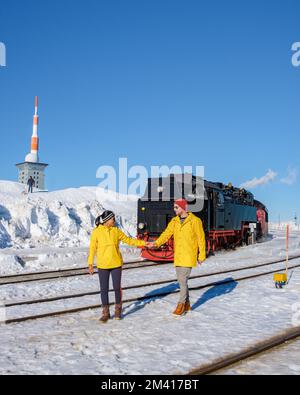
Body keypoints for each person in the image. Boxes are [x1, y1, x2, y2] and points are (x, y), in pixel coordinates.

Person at [88, 210, 148, 323]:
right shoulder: (96, 232)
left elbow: (129, 240)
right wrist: (90, 263)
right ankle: (105, 313)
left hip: (116, 264)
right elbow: (92, 248)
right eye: (112, 219)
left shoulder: (116, 231)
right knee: (104, 290)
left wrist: (144, 243)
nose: (114, 220)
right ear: (106, 220)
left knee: (117, 288)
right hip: (102, 265)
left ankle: (118, 310)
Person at [148, 199, 206, 317]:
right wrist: (156, 243)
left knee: (182, 281)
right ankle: (187, 304)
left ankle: (181, 305)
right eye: (174, 207)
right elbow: (166, 234)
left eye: (176, 207)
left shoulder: (195, 221)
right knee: (182, 281)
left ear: (183, 208)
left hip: (189, 255)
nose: (174, 209)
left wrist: (202, 255)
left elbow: (201, 238)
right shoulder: (174, 221)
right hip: (178, 255)